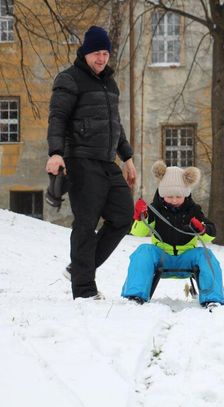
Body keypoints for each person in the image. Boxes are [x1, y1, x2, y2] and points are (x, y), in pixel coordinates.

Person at [45, 26, 137, 299]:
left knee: (123, 216)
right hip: (81, 160)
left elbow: (115, 124)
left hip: (106, 161)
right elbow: (57, 118)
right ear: (85, 52)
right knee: (86, 224)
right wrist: (56, 152)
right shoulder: (69, 79)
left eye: (105, 53)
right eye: (96, 52)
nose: (101, 58)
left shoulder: (110, 83)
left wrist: (128, 157)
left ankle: (79, 269)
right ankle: (84, 290)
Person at [121, 161, 224, 309]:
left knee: (206, 254)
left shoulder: (194, 210)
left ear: (186, 194)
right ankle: (135, 295)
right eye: (170, 196)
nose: (174, 200)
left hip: (187, 257)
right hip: (162, 257)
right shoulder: (154, 210)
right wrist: (140, 218)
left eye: (179, 196)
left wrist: (202, 229)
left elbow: (210, 235)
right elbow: (138, 232)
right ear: (162, 193)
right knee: (143, 251)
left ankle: (213, 298)